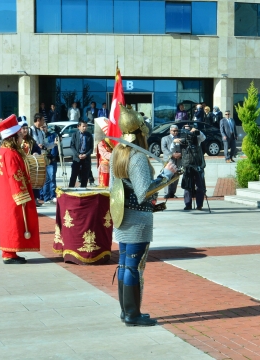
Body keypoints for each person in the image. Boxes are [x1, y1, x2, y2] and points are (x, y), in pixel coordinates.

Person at [110, 104, 177, 326]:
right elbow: (143, 192)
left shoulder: (117, 152)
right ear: (140, 132)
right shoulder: (137, 156)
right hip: (137, 220)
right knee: (134, 266)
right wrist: (166, 175)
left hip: (123, 217)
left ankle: (126, 311)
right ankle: (132, 314)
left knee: (124, 264)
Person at [0, 114, 40, 264]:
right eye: (19, 134)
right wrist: (21, 195)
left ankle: (9, 252)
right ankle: (9, 254)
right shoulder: (11, 153)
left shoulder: (3, 151)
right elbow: (15, 175)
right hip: (12, 196)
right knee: (12, 222)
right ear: (13, 137)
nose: (21, 136)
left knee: (8, 222)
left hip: (4, 194)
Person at [178, 123, 207, 210]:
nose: (188, 132)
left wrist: (196, 131)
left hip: (197, 164)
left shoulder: (197, 138)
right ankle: (188, 204)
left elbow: (203, 137)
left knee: (200, 186)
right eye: (186, 129)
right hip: (187, 165)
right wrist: (176, 141)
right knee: (187, 186)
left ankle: (199, 205)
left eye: (189, 129)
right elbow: (173, 148)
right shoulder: (182, 139)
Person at [68, 120, 93, 188]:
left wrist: (86, 155)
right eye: (83, 126)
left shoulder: (89, 135)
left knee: (85, 177)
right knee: (74, 175)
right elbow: (72, 146)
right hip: (77, 158)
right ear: (78, 127)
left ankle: (83, 189)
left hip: (86, 158)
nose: (85, 128)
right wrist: (78, 154)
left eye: (86, 126)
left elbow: (91, 148)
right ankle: (70, 189)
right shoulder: (75, 135)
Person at [161, 124, 181, 198]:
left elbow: (182, 148)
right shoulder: (165, 138)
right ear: (170, 131)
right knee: (167, 176)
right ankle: (167, 193)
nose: (175, 132)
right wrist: (172, 154)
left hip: (177, 160)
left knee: (176, 177)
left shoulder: (179, 139)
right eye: (174, 131)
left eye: (176, 131)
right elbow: (163, 149)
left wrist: (180, 154)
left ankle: (172, 193)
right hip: (169, 161)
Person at [40, 124, 59, 204]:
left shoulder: (52, 135)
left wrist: (52, 157)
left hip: (51, 160)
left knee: (52, 178)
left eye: (45, 127)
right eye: (42, 127)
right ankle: (45, 197)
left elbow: (54, 147)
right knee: (45, 180)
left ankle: (53, 195)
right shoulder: (40, 137)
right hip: (42, 160)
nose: (44, 129)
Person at [95, 118, 113, 187]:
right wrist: (115, 155)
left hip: (114, 165)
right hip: (105, 166)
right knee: (104, 185)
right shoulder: (101, 142)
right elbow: (104, 153)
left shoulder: (113, 140)